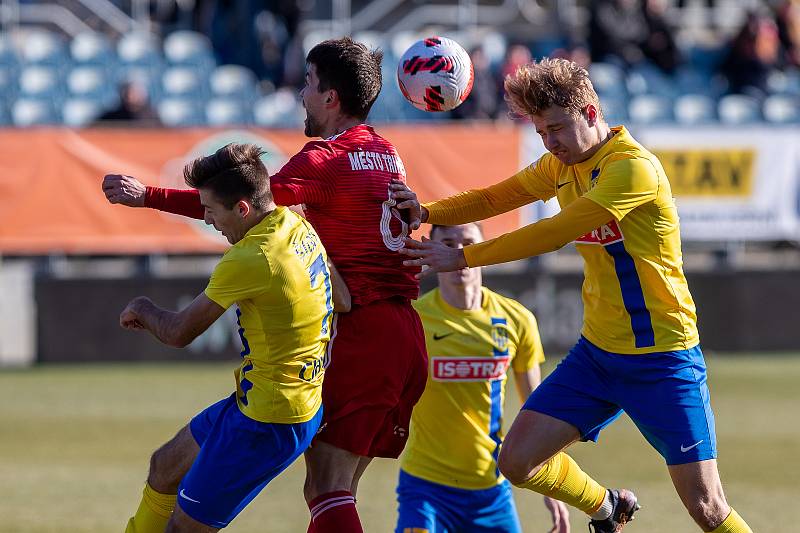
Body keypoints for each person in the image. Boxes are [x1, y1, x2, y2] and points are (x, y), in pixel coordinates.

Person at [391, 57, 754, 533]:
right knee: (516, 461)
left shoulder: (632, 170)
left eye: (557, 129)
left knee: (707, 507)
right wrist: (427, 210)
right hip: (599, 355)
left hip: (663, 356)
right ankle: (607, 508)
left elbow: (554, 232)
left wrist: (462, 258)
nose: (550, 143)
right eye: (541, 132)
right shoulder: (560, 166)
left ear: (589, 112)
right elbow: (495, 197)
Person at [102, 37, 428, 533]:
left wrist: (147, 196)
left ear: (330, 98)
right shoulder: (387, 152)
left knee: (328, 488)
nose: (301, 94)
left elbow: (240, 200)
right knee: (333, 489)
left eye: (308, 83)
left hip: (363, 330)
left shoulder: (324, 160)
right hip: (405, 329)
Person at [117, 143, 349, 532]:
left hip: (269, 421)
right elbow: (341, 297)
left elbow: (178, 333)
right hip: (264, 400)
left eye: (211, 210)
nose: (207, 219)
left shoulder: (251, 257)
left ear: (242, 209)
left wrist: (141, 306)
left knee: (183, 529)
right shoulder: (296, 225)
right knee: (165, 467)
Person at [397, 222, 570, 533]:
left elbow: (538, 412)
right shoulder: (413, 320)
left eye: (467, 243)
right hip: (426, 489)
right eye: (447, 243)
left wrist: (551, 484)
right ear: (432, 252)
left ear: (484, 251)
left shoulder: (516, 319)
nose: (458, 252)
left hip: (491, 492)